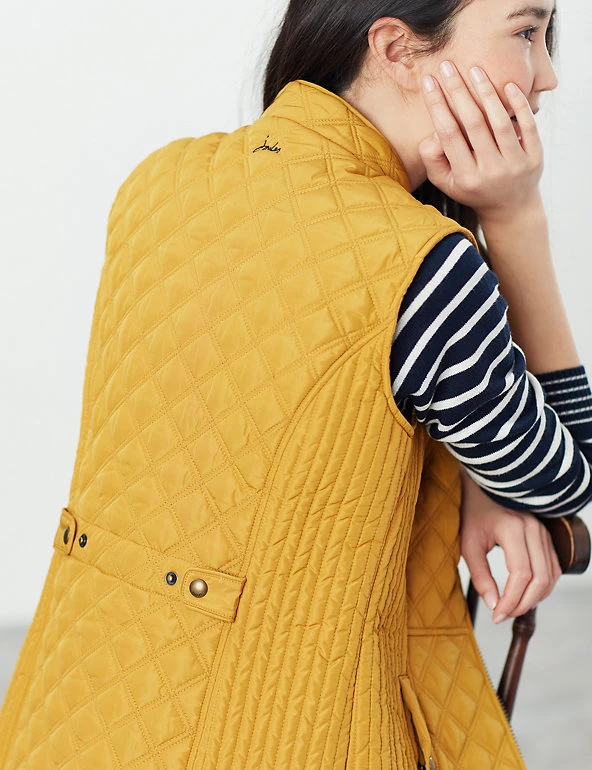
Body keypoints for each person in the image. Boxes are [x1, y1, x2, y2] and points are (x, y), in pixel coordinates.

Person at [0, 1, 589, 768]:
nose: (546, 75)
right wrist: (516, 221)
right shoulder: (423, 266)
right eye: (526, 32)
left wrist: (474, 476)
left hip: (70, 709)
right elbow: (562, 475)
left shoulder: (161, 183)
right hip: (286, 734)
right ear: (396, 49)